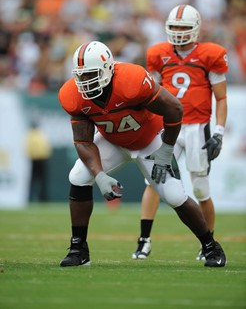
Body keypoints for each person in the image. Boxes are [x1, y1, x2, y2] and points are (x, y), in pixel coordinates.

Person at [58, 40, 226, 268]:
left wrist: (167, 149)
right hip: (113, 141)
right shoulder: (72, 94)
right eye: (81, 76)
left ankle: (210, 246)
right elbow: (83, 141)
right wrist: (99, 175)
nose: (85, 82)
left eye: (91, 75)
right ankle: (79, 249)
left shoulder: (131, 79)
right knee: (78, 177)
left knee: (175, 196)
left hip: (150, 140)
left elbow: (175, 108)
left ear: (108, 68)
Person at [132, 4, 228, 261]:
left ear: (195, 29)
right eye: (174, 27)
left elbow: (221, 98)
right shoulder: (157, 53)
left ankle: (208, 242)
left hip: (198, 126)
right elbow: (150, 95)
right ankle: (144, 241)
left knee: (200, 189)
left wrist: (218, 132)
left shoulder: (211, 54)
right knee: (153, 180)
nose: (178, 32)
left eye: (184, 27)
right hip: (168, 127)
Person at [25, 121, 52, 202]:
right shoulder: (32, 135)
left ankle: (43, 198)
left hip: (42, 159)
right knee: (34, 180)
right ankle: (31, 198)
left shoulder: (39, 134)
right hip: (35, 159)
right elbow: (28, 148)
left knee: (41, 180)